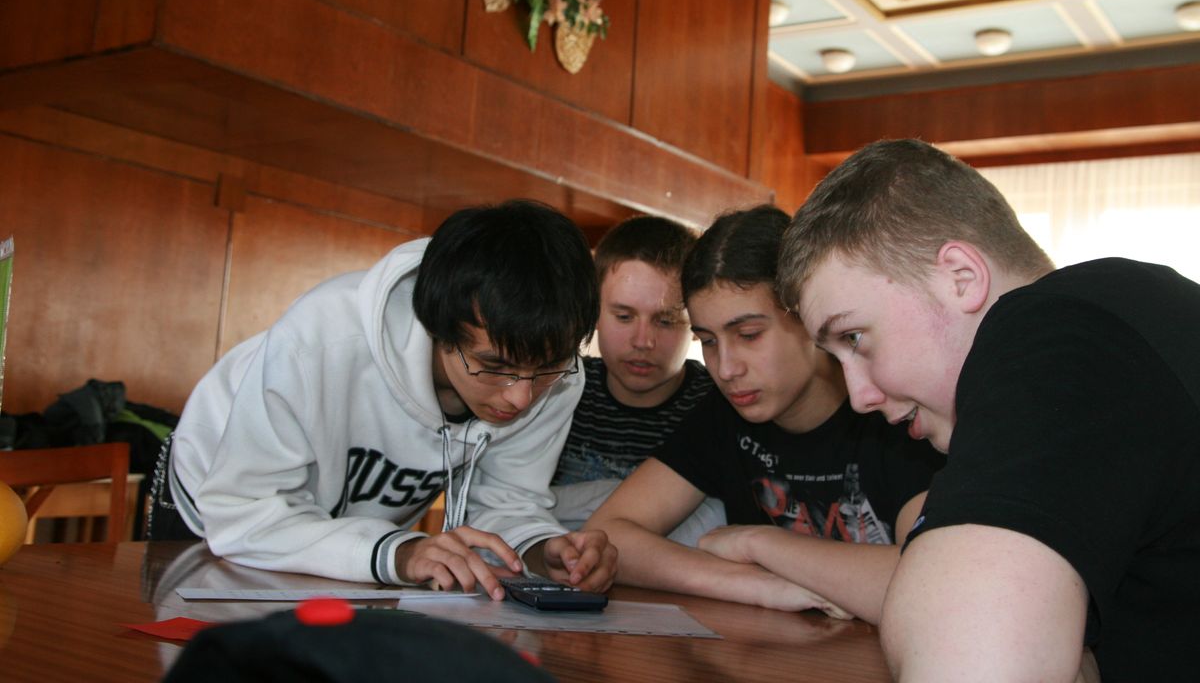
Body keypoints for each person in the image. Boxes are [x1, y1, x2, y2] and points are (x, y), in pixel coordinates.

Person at [778, 138, 1200, 682]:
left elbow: (970, 659)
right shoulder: (1130, 322)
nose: (859, 396)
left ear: (961, 277)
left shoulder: (1058, 328)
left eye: (855, 337)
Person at [150, 200, 617, 599]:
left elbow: (507, 503)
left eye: (546, 368)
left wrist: (541, 551)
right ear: (438, 328)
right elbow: (243, 515)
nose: (521, 397)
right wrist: (398, 551)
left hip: (350, 535)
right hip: (219, 502)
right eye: (493, 365)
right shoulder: (322, 339)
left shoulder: (559, 378)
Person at [585, 205, 943, 620]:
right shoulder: (723, 415)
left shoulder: (894, 413)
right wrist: (751, 584)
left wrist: (758, 544)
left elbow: (935, 581)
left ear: (809, 317)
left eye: (749, 335)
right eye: (708, 341)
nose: (726, 368)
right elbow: (607, 535)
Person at [549, 215, 723, 544]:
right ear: (593, 312)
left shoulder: (721, 408)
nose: (643, 341)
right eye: (624, 316)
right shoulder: (555, 390)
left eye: (666, 320)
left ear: (696, 323)